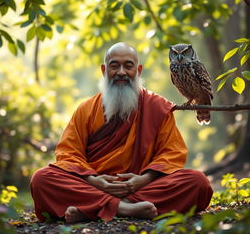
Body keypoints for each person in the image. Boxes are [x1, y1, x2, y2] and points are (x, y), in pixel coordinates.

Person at [30, 42, 213, 223]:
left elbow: (172, 153)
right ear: (104, 70)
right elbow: (68, 153)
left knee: (198, 182)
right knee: (41, 179)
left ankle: (92, 209)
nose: (121, 72)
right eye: (114, 65)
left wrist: (143, 180)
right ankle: (124, 208)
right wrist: (95, 181)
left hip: (141, 186)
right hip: (93, 185)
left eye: (128, 66)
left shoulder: (157, 107)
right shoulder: (86, 109)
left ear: (138, 70)